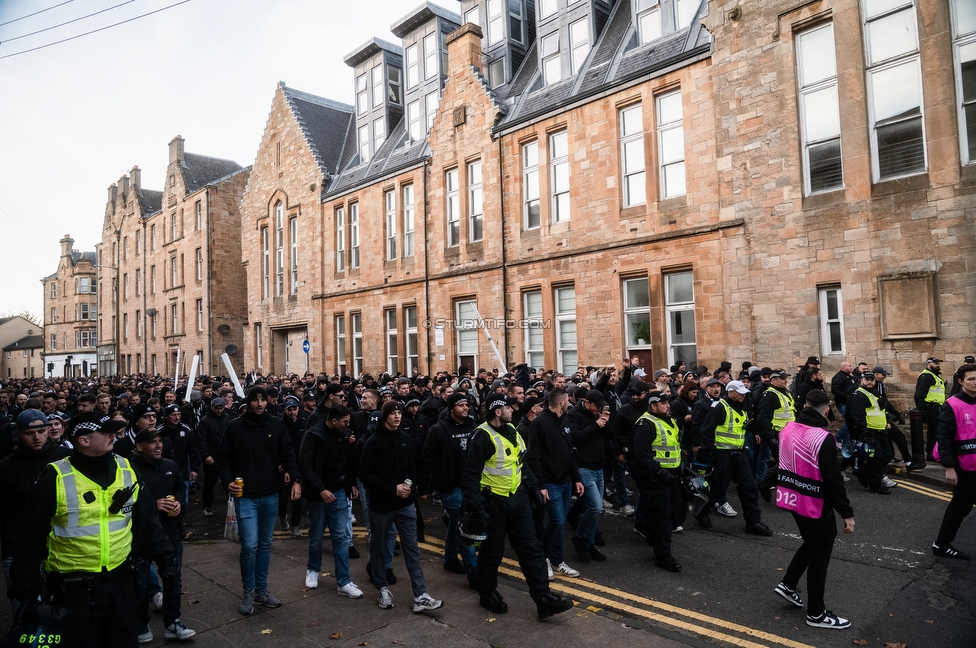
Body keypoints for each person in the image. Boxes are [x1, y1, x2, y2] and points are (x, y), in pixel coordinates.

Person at [7, 412, 176, 648]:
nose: (113, 435)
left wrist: (166, 559)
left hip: (121, 586)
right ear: (83, 440)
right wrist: (26, 590)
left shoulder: (126, 468)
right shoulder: (55, 476)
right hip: (73, 593)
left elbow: (148, 521)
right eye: (105, 432)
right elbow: (30, 536)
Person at [461, 395, 575, 620]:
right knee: (492, 552)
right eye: (507, 407)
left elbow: (521, 463)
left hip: (518, 499)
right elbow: (469, 476)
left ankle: (543, 598)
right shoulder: (482, 436)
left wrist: (533, 486)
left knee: (531, 549)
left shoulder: (512, 430)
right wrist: (477, 508)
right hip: (494, 502)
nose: (512, 410)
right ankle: (487, 593)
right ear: (497, 411)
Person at [216, 386, 301, 615]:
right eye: (256, 400)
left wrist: (296, 479)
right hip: (246, 497)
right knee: (249, 545)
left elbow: (288, 454)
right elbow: (223, 458)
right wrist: (227, 481)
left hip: (271, 494)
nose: (260, 404)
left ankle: (261, 590)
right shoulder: (235, 427)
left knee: (264, 544)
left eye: (263, 400)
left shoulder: (276, 424)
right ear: (249, 402)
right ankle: (248, 590)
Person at [774, 389, 854, 630]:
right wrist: (846, 513)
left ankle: (788, 584)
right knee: (820, 556)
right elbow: (833, 480)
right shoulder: (823, 438)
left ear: (804, 406)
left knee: (812, 543)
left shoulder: (787, 428)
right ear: (827, 410)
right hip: (814, 502)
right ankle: (816, 613)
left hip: (792, 497)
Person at [358, 400, 443, 613]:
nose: (397, 416)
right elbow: (365, 475)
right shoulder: (373, 442)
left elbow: (411, 467)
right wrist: (392, 489)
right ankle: (382, 588)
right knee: (378, 548)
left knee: (412, 548)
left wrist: (410, 487)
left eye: (399, 413)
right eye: (393, 413)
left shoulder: (405, 438)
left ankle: (420, 595)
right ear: (385, 416)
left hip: (405, 504)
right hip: (382, 506)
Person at [129, 425, 196, 641]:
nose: (158, 445)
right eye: (152, 442)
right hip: (140, 538)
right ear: (140, 446)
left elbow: (180, 487)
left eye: (160, 441)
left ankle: (173, 622)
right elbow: (123, 504)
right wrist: (152, 505)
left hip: (168, 534)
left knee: (173, 579)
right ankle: (141, 625)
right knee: (139, 585)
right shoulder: (128, 471)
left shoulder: (170, 465)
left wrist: (179, 505)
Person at [299, 404, 364, 597]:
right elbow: (305, 465)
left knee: (341, 537)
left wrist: (351, 483)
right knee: (316, 536)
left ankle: (343, 581)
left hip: (339, 492)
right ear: (334, 421)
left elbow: (347, 461)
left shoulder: (343, 435)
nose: (347, 425)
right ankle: (313, 570)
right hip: (318, 496)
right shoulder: (313, 435)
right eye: (344, 422)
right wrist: (321, 489)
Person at [0, 410, 70, 581]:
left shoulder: (67, 459)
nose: (37, 437)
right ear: (19, 435)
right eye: (29, 433)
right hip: (20, 547)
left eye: (41, 431)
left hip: (61, 545)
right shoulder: (6, 467)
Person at [697, 380, 773, 535]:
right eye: (740, 393)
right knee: (717, 490)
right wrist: (710, 453)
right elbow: (706, 430)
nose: (744, 396)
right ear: (731, 392)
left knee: (749, 488)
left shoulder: (742, 407)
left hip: (739, 454)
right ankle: (701, 512)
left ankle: (753, 522)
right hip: (722, 455)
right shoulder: (720, 407)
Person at [527, 388, 584, 579]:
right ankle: (543, 558)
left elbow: (571, 452)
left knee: (559, 524)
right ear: (561, 402)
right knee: (557, 521)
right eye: (568, 401)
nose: (569, 403)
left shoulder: (565, 420)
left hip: (566, 481)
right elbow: (533, 457)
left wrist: (576, 478)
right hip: (549, 482)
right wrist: (540, 485)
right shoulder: (540, 423)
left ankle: (557, 560)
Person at [420, 393, 477, 577]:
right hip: (450, 487)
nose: (466, 408)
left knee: (456, 523)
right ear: (452, 408)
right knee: (464, 526)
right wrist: (423, 488)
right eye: (461, 405)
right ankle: (474, 571)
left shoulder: (472, 426)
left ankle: (450, 559)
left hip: (469, 485)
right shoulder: (438, 430)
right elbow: (427, 460)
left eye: (467, 405)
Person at [630, 392, 684, 572]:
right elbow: (641, 455)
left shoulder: (669, 420)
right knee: (663, 516)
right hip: (656, 477)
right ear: (653, 406)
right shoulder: (645, 424)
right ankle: (663, 554)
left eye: (668, 402)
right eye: (663, 403)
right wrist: (659, 472)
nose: (668, 406)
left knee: (677, 512)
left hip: (673, 475)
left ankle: (653, 535)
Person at [931, 363, 976, 560]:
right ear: (961, 381)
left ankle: (941, 545)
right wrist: (949, 467)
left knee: (959, 507)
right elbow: (944, 438)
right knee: (960, 506)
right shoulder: (952, 405)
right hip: (964, 466)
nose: (975, 382)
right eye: (971, 379)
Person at [847, 372, 892, 495]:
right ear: (861, 380)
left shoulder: (875, 393)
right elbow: (857, 415)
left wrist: (887, 421)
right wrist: (863, 432)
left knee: (887, 455)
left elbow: (881, 410)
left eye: (872, 379)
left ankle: (862, 471)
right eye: (867, 379)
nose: (870, 382)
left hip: (881, 430)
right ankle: (875, 485)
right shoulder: (859, 394)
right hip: (869, 431)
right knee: (876, 458)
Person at [197, 397, 231, 517]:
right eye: (217, 408)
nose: (219, 411)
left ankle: (230, 505)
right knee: (209, 482)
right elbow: (201, 439)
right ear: (212, 407)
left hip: (225, 456)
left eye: (221, 408)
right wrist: (206, 455)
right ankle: (207, 505)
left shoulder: (227, 418)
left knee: (228, 481)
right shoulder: (205, 420)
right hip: (212, 456)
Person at [915, 357, 947, 459]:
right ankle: (931, 453)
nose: (938, 365)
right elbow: (919, 395)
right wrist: (922, 411)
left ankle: (933, 452)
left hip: (937, 408)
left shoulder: (935, 376)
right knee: (935, 431)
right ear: (929, 364)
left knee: (935, 431)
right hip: (931, 408)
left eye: (938, 363)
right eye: (935, 363)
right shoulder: (926, 376)